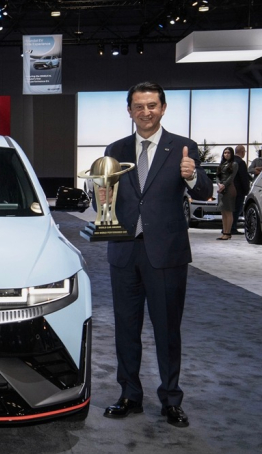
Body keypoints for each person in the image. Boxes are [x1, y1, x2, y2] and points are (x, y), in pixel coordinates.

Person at [101, 82, 213, 428]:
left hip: (166, 255)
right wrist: (100, 200)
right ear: (129, 110)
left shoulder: (183, 147)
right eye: (138, 106)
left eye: (152, 105)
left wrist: (193, 176)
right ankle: (129, 395)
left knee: (167, 330)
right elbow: (104, 198)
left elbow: (206, 192)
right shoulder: (115, 149)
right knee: (126, 329)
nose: (145, 111)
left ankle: (171, 400)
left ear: (163, 108)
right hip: (124, 253)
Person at [215, 147, 238, 240]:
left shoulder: (234, 164)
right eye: (225, 153)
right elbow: (217, 176)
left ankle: (228, 232)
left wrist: (223, 185)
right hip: (221, 190)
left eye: (228, 153)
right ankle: (224, 232)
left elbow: (231, 177)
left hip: (229, 189)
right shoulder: (221, 164)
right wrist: (219, 184)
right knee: (223, 212)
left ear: (231, 154)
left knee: (228, 212)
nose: (226, 154)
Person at [230, 145, 251, 235]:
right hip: (238, 191)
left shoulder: (230, 161)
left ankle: (227, 228)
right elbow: (243, 178)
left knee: (229, 210)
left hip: (229, 190)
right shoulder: (241, 163)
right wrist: (247, 191)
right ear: (242, 152)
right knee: (236, 209)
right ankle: (232, 228)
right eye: (244, 152)